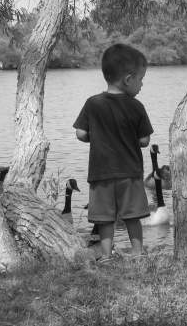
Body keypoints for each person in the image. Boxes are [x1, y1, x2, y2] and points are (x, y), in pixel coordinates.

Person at [73, 43, 153, 262]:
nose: (142, 85)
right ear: (128, 79)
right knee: (133, 216)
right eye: (141, 79)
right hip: (129, 173)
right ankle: (138, 255)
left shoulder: (92, 103)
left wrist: (96, 137)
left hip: (101, 173)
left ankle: (106, 256)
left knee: (105, 218)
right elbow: (144, 141)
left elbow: (80, 134)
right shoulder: (136, 107)